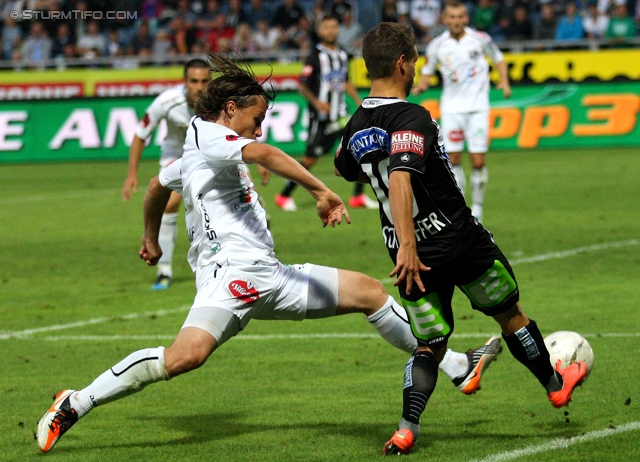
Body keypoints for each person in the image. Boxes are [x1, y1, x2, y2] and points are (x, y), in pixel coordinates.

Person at [36, 54, 499, 454]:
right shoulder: (213, 138)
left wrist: (152, 238)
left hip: (271, 276)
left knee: (370, 292)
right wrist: (321, 190)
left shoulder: (201, 147)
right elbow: (266, 154)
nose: (257, 128)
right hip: (231, 278)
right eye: (254, 118)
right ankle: (74, 402)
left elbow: (158, 186)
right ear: (230, 109)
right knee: (183, 358)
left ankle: (457, 366)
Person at [334, 21, 588, 456]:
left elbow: (346, 168)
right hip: (453, 241)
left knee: (429, 345)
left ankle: (406, 429)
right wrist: (412, 244)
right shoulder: (413, 116)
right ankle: (553, 384)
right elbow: (400, 177)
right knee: (510, 316)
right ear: (401, 63)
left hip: (402, 251)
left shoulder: (356, 125)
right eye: (413, 60)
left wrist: (404, 244)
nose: (416, 68)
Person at [412, 1, 511, 223]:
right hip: (452, 109)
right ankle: (461, 207)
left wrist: (504, 82)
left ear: (466, 18)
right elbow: (427, 71)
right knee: (453, 160)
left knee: (477, 162)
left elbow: (499, 59)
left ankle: (478, 207)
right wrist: (421, 86)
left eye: (460, 17)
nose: (456, 21)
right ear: (445, 19)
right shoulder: (438, 45)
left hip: (477, 109)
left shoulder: (480, 39)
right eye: (452, 17)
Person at [122, 58, 211, 290]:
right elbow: (141, 134)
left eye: (204, 81)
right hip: (177, 156)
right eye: (194, 81)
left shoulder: (219, 102)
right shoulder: (167, 102)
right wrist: (132, 173)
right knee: (170, 204)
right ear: (184, 82)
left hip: (209, 156)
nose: (199, 86)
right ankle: (164, 270)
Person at [275, 14, 376, 212]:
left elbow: (346, 81)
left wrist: (358, 102)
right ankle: (283, 195)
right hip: (320, 119)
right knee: (310, 159)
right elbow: (302, 87)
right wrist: (317, 102)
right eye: (327, 27)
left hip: (340, 116)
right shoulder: (315, 56)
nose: (331, 30)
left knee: (360, 149)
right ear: (320, 31)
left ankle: (357, 196)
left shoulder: (343, 54)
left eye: (334, 27)